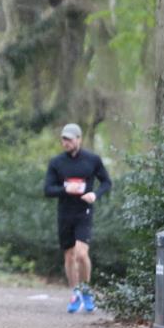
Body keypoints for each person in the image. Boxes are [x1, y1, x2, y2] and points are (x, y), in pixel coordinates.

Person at [43, 123, 112, 313]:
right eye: (64, 139)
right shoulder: (56, 162)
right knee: (69, 256)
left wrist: (95, 195)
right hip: (65, 213)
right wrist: (65, 189)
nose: (66, 142)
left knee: (81, 254)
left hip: (84, 212)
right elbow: (47, 190)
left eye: (69, 139)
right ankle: (75, 293)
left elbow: (107, 182)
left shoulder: (92, 160)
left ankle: (86, 290)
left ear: (79, 139)